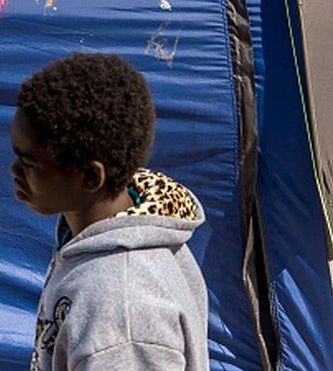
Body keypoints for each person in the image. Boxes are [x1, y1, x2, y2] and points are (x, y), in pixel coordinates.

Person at [11, 53, 208, 370]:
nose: (14, 170)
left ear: (90, 177)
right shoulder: (92, 235)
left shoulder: (124, 311)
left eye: (29, 163)